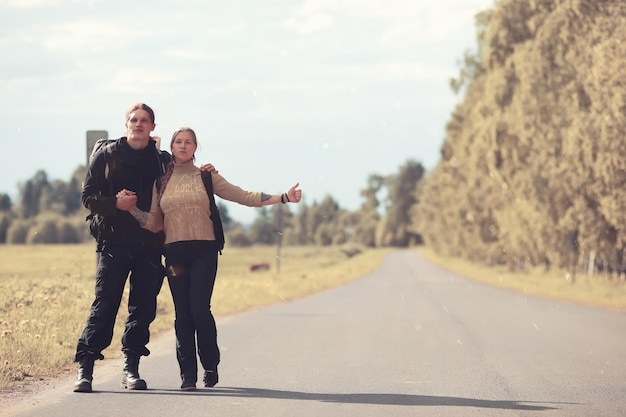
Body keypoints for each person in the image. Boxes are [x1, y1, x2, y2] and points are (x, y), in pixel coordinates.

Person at [116, 126, 302, 391]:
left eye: (188, 142)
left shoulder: (206, 177)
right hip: (175, 253)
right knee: (183, 315)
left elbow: (243, 196)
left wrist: (283, 197)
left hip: (204, 251)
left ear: (195, 148)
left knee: (200, 310)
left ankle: (211, 365)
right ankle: (187, 377)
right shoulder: (162, 181)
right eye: (178, 142)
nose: (183, 146)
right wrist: (133, 210)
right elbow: (156, 223)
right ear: (172, 147)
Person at [74, 104, 217, 393]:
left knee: (142, 309)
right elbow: (88, 197)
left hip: (150, 246)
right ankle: (85, 368)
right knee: (105, 304)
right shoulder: (107, 154)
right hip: (113, 242)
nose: (138, 124)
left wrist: (205, 171)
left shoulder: (161, 159)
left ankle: (131, 369)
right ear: (126, 124)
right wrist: (116, 203)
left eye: (144, 121)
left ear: (153, 127)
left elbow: (184, 172)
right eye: (133, 120)